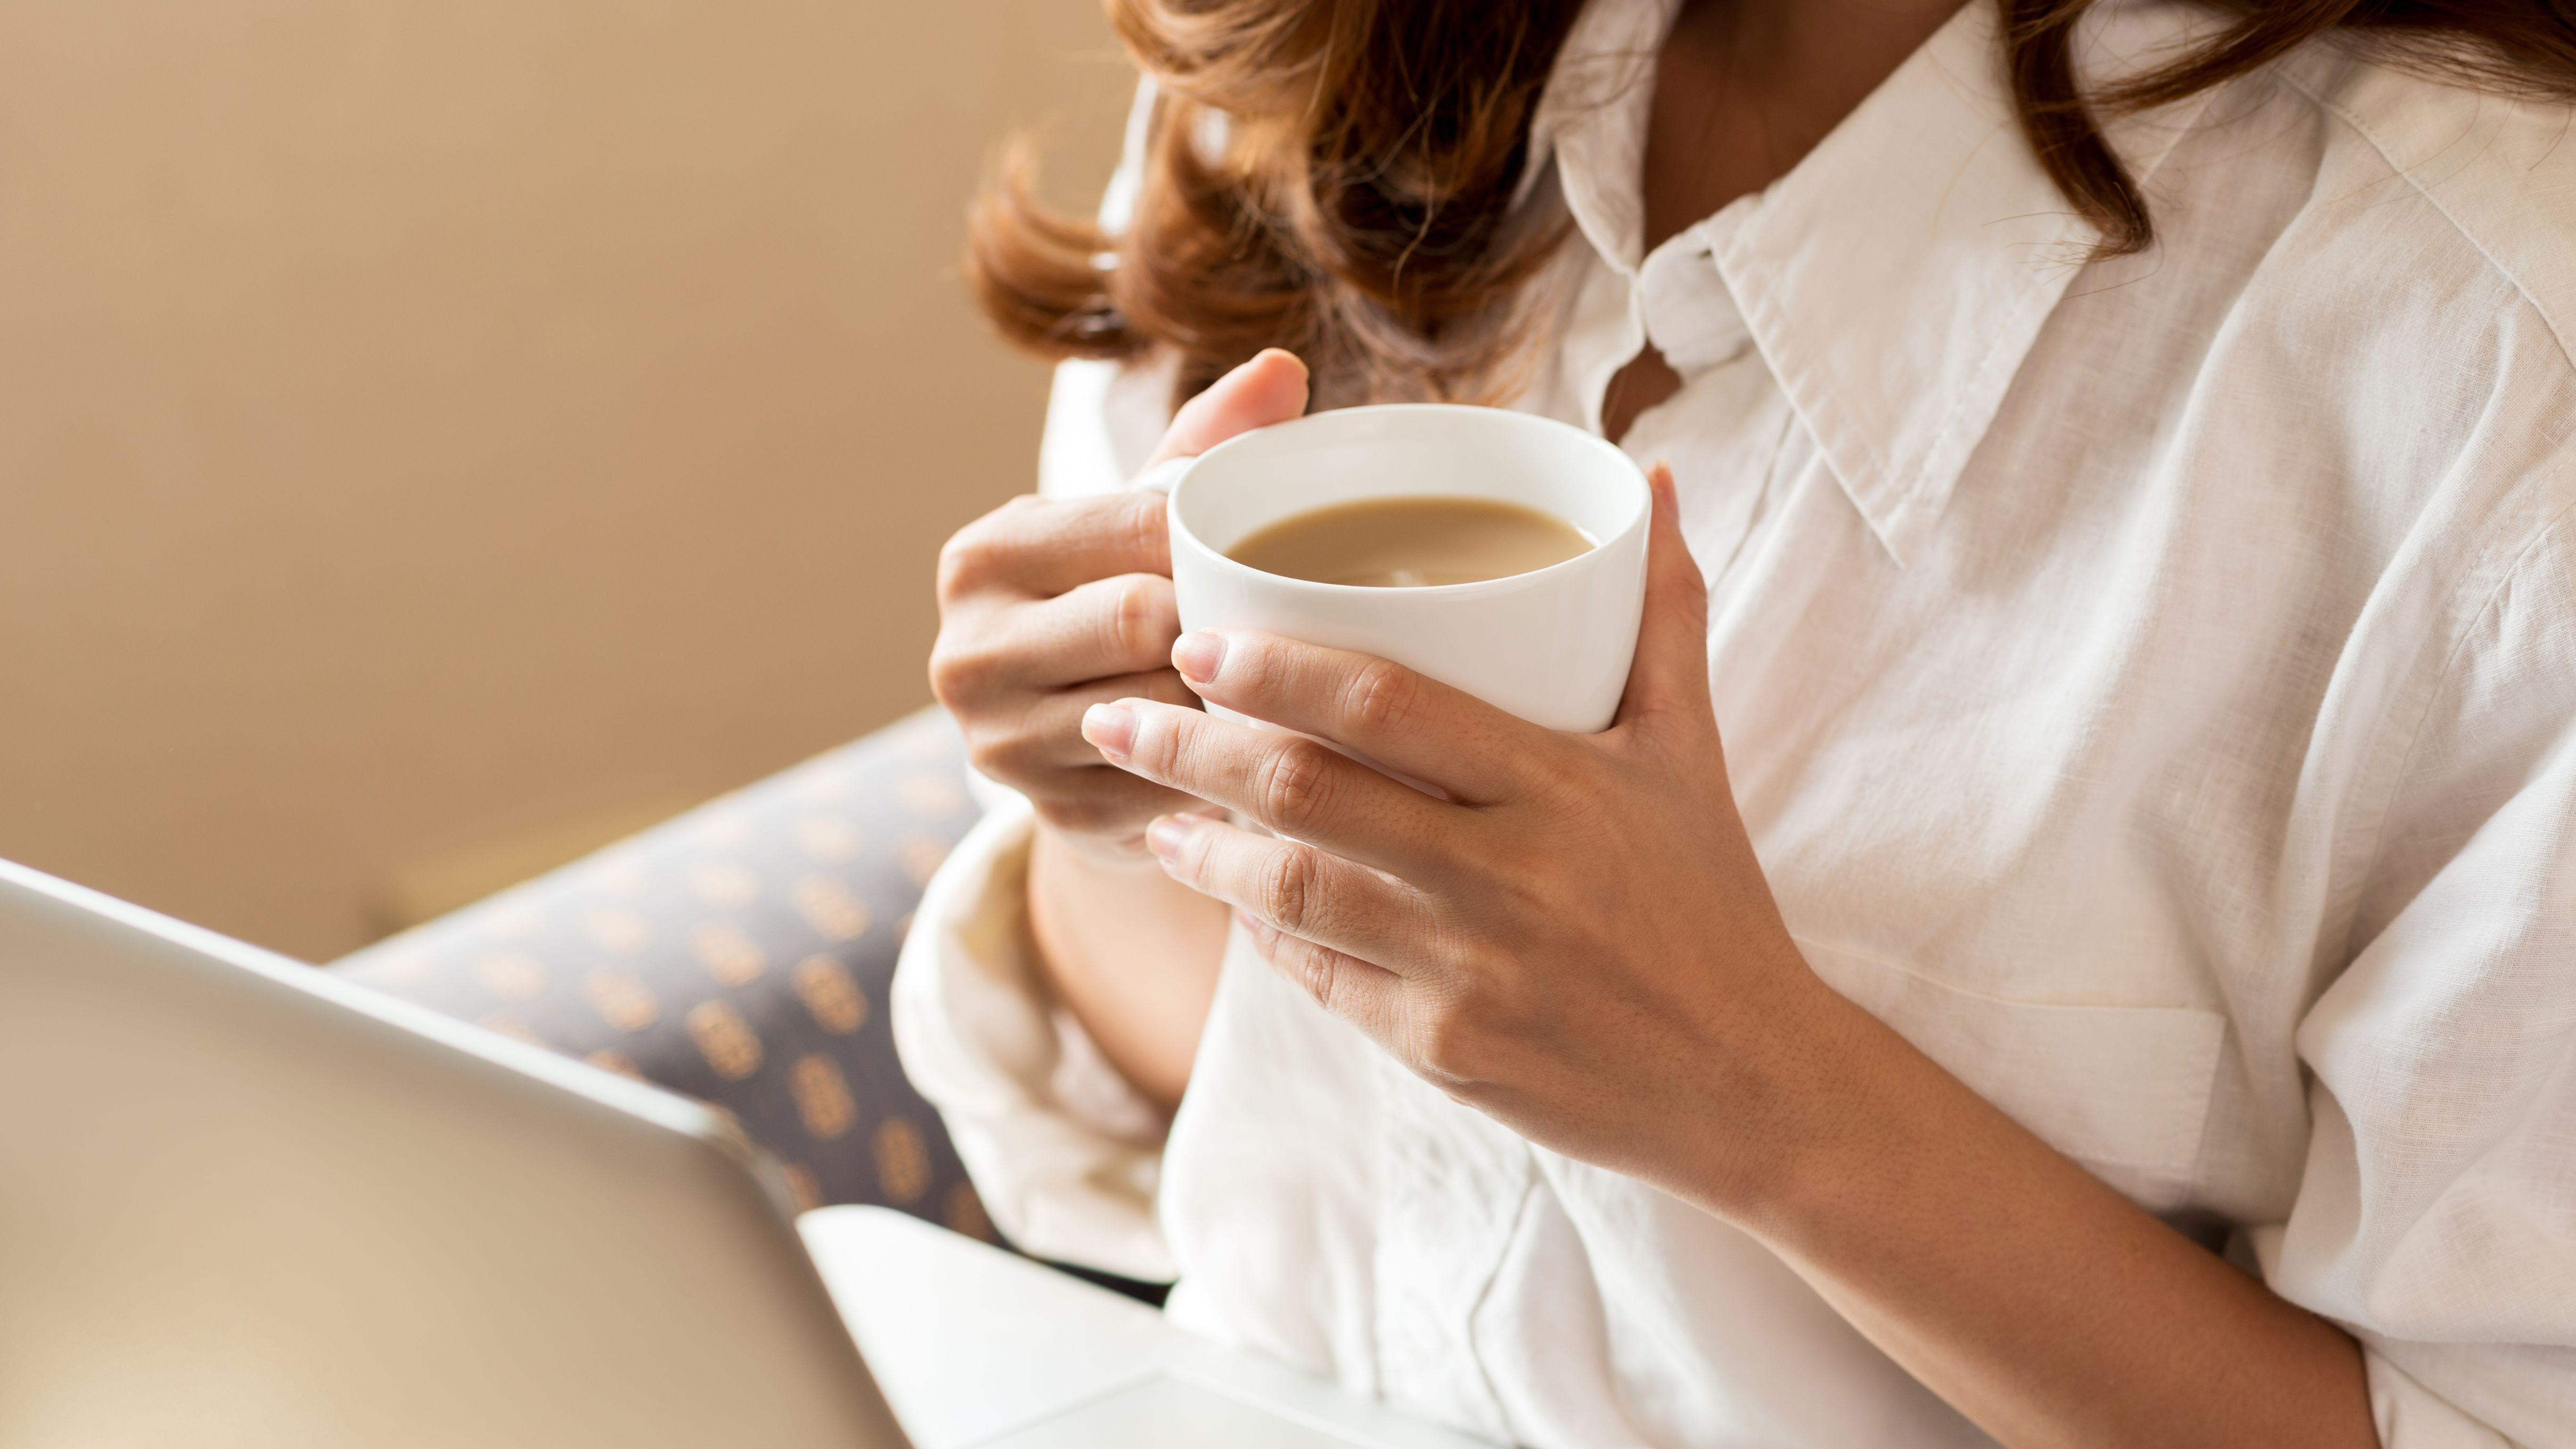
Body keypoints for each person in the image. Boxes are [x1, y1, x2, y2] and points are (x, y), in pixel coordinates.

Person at [896, 0, 2576, 1443]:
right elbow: (1231, 1077)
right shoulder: (1305, 80)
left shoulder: (2493, 380)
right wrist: (1123, 791)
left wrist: (1752, 1086)